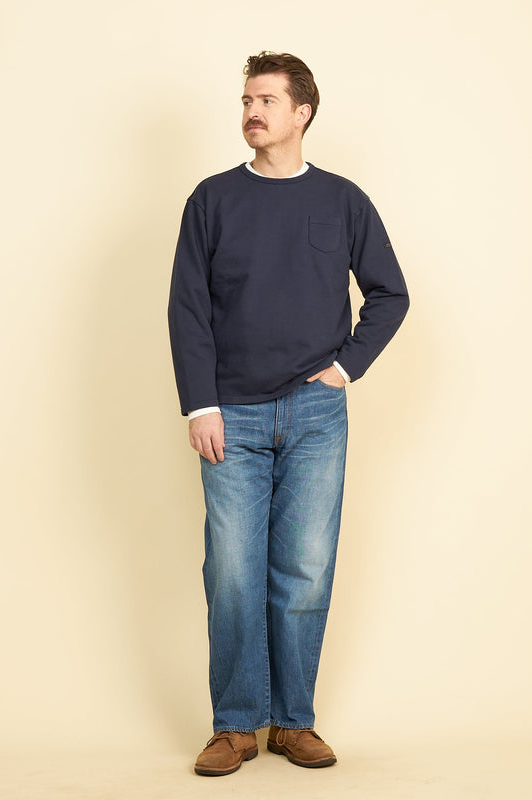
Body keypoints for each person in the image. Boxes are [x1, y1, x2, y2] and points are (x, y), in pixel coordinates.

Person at [168, 51, 409, 777]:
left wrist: (344, 369)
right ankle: (236, 726)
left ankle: (293, 722)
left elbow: (389, 294)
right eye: (247, 99)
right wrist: (200, 404)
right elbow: (187, 309)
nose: (252, 111)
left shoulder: (342, 200)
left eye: (266, 100)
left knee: (304, 570)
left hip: (314, 414)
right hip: (231, 414)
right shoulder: (212, 199)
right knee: (233, 573)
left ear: (302, 112)